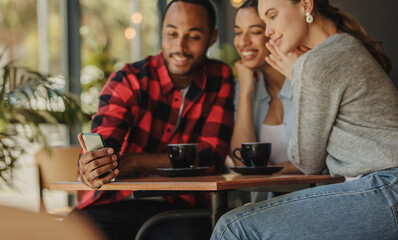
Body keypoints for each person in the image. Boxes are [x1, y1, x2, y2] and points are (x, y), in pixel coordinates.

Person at [211, 0, 398, 239]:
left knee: (233, 227)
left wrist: (297, 76)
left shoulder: (319, 61)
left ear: (306, 6)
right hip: (382, 188)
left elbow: (307, 161)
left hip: (386, 188)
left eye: (272, 15)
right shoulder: (342, 47)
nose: (268, 30)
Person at [68, 1, 234, 239]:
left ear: (212, 37)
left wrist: (133, 163)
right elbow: (105, 141)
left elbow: (212, 156)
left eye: (194, 36)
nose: (180, 46)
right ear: (162, 32)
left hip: (180, 209)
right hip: (112, 202)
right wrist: (94, 164)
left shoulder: (220, 77)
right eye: (172, 33)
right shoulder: (129, 79)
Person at [231, 0, 301, 175]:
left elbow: (322, 160)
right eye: (238, 33)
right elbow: (241, 161)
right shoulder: (246, 85)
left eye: (255, 32)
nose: (243, 42)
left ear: (274, 32)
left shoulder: (302, 76)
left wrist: (268, 170)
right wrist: (245, 93)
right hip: (268, 196)